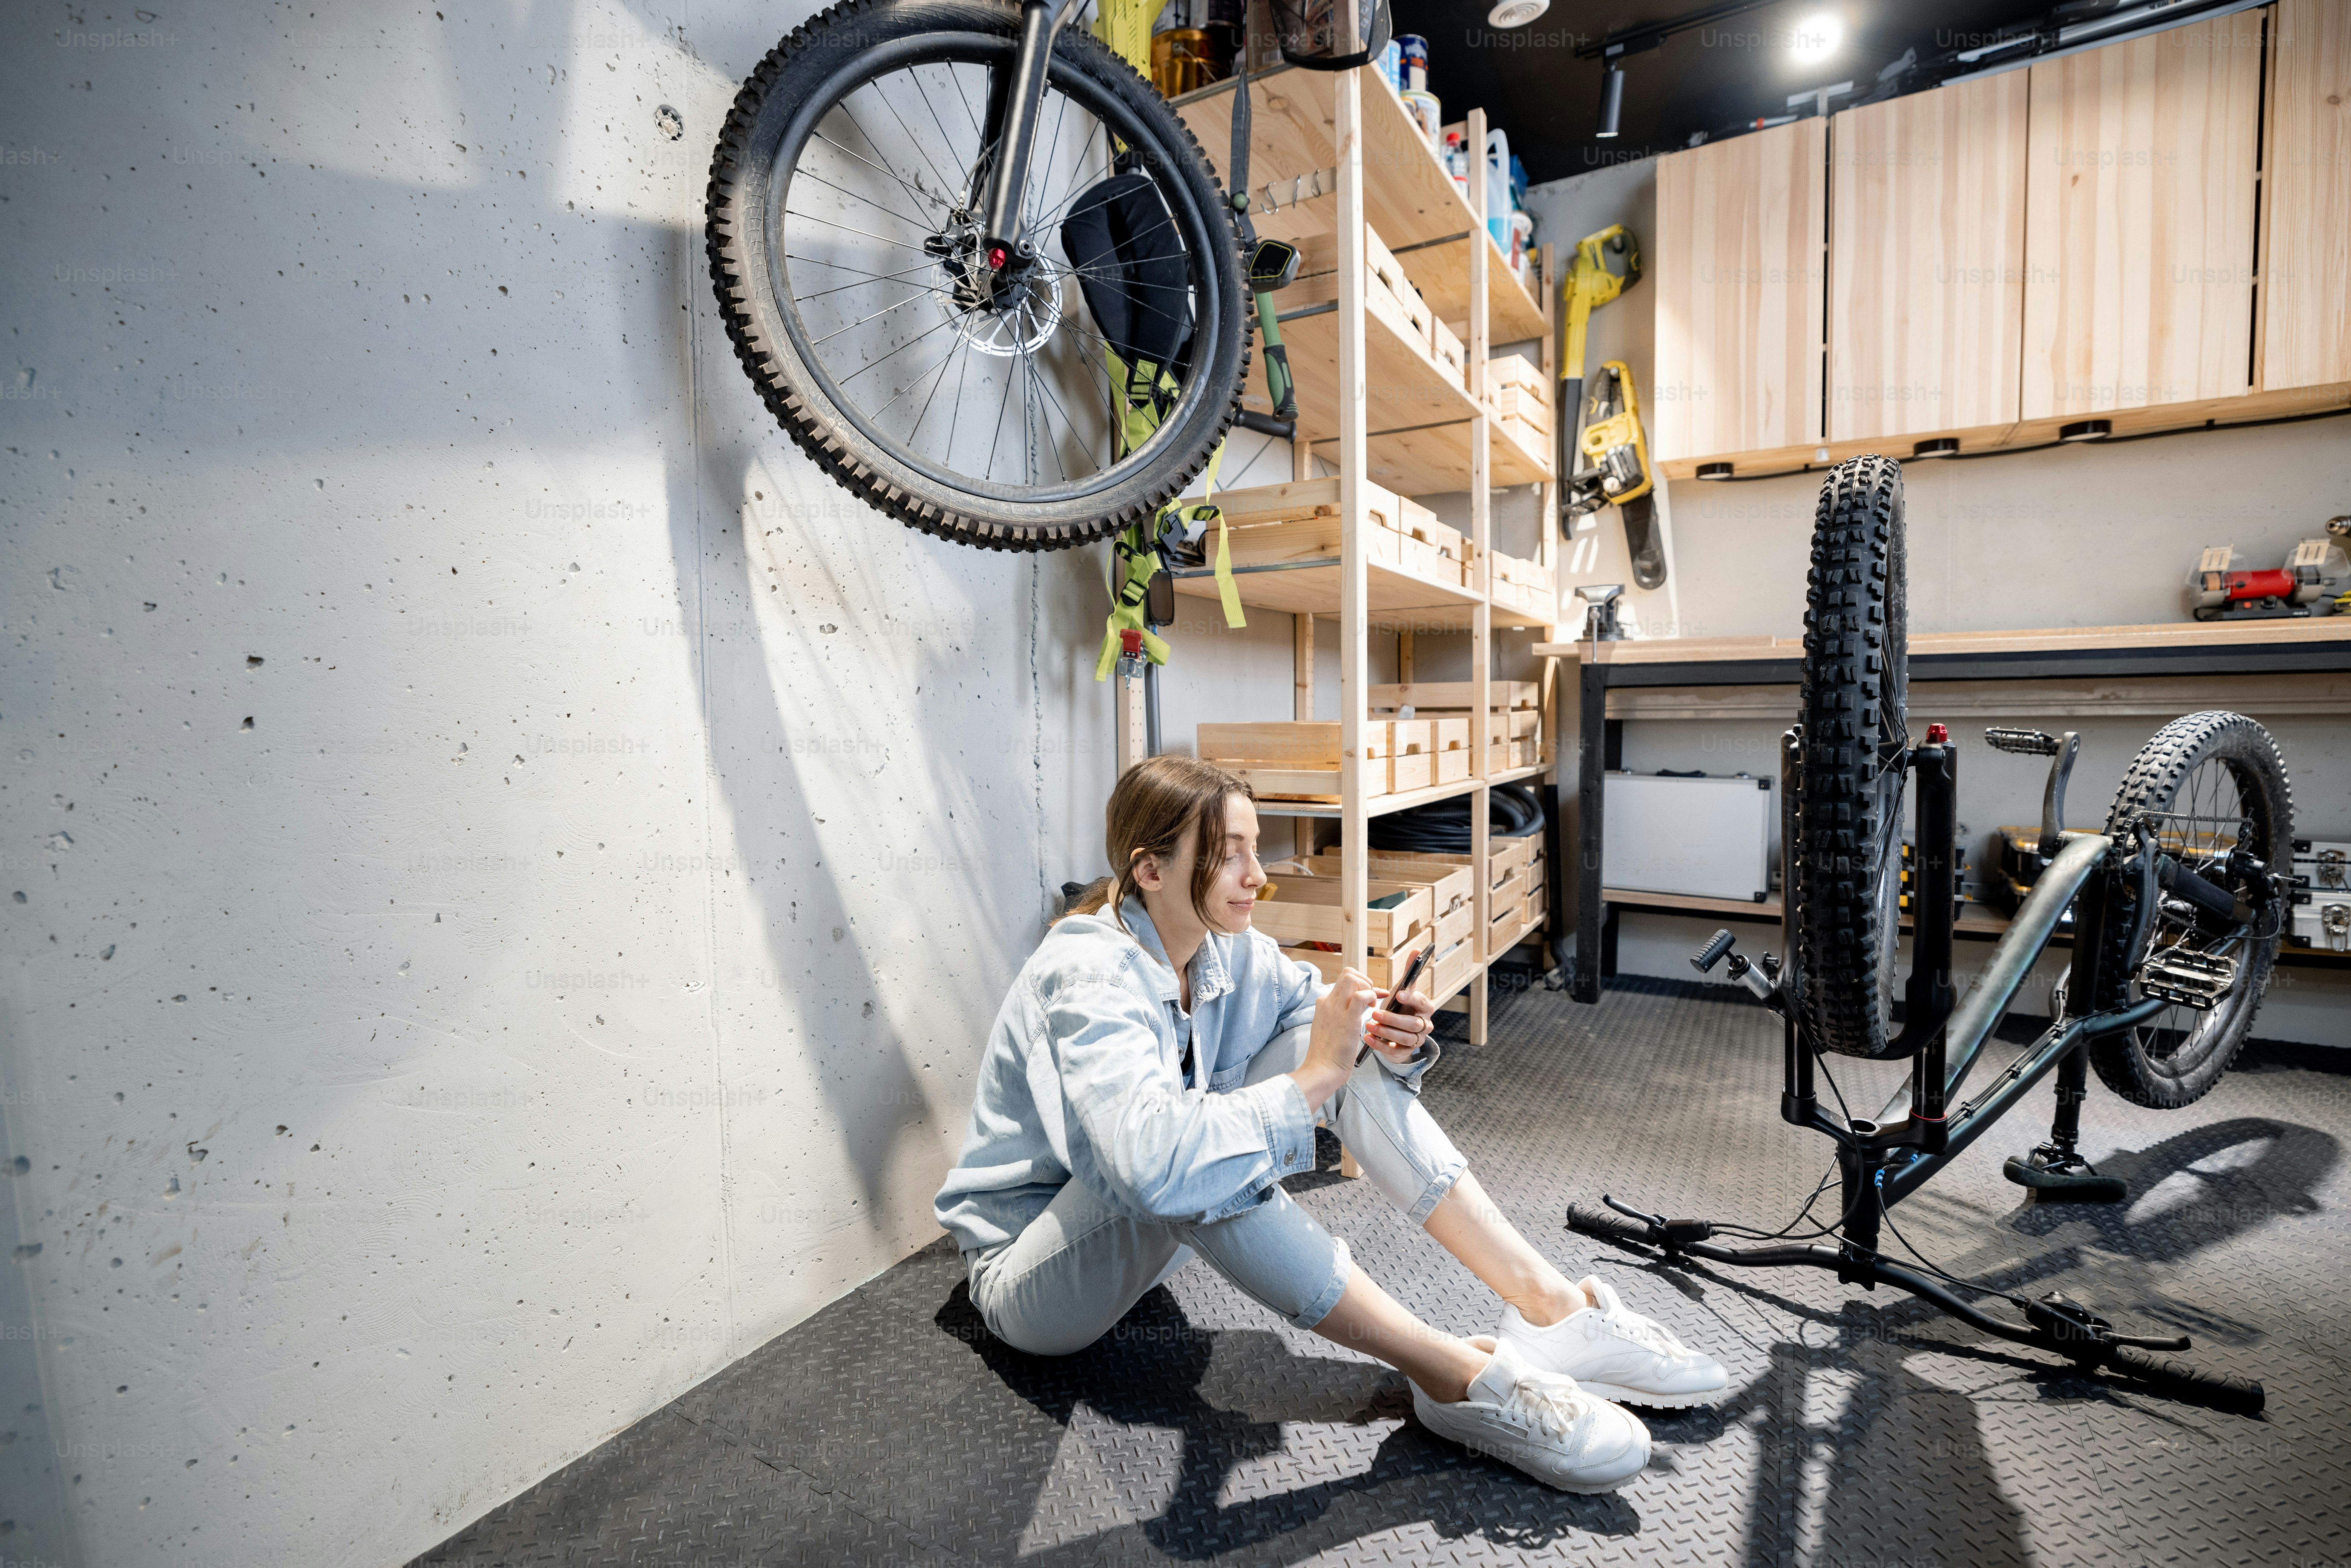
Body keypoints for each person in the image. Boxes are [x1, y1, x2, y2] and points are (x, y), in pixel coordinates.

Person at [933, 755, 1727, 1493]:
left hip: (1144, 1244)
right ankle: (1455, 1376)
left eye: (1255, 847)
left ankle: (1550, 1307)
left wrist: (1387, 1035)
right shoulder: (1089, 970)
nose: (1257, 876)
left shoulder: (1221, 947)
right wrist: (1316, 1072)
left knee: (1331, 1038)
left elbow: (1315, 1022)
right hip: (1034, 1279)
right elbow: (1153, 1167)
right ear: (1152, 869)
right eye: (1230, 854)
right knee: (1196, 1159)